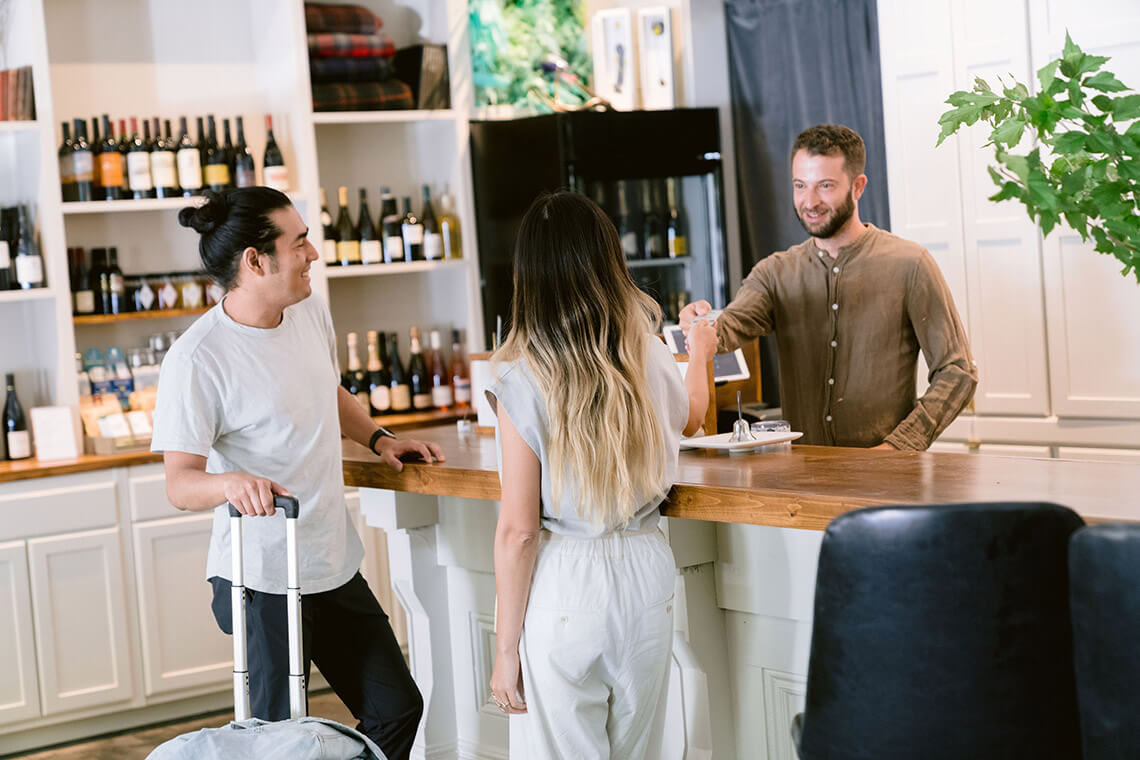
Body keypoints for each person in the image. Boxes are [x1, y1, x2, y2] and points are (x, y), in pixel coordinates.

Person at [152, 187, 443, 760]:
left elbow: (325, 388)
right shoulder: (198, 358)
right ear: (255, 261)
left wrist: (380, 437)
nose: (313, 253)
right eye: (300, 242)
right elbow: (180, 482)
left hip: (330, 562)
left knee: (396, 708)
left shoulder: (308, 311)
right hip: (261, 579)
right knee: (274, 742)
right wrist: (230, 483)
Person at [486, 191, 717, 758]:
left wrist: (505, 649)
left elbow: (518, 532)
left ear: (529, 277)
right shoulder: (652, 352)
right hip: (646, 571)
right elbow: (693, 417)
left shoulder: (521, 379)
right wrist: (701, 353)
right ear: (609, 262)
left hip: (566, 582)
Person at [682, 124, 977, 449]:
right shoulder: (774, 273)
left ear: (858, 186)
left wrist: (901, 446)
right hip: (803, 481)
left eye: (825, 186)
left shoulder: (911, 264)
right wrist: (698, 322)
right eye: (800, 185)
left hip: (888, 481)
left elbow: (957, 371)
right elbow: (727, 330)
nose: (809, 201)